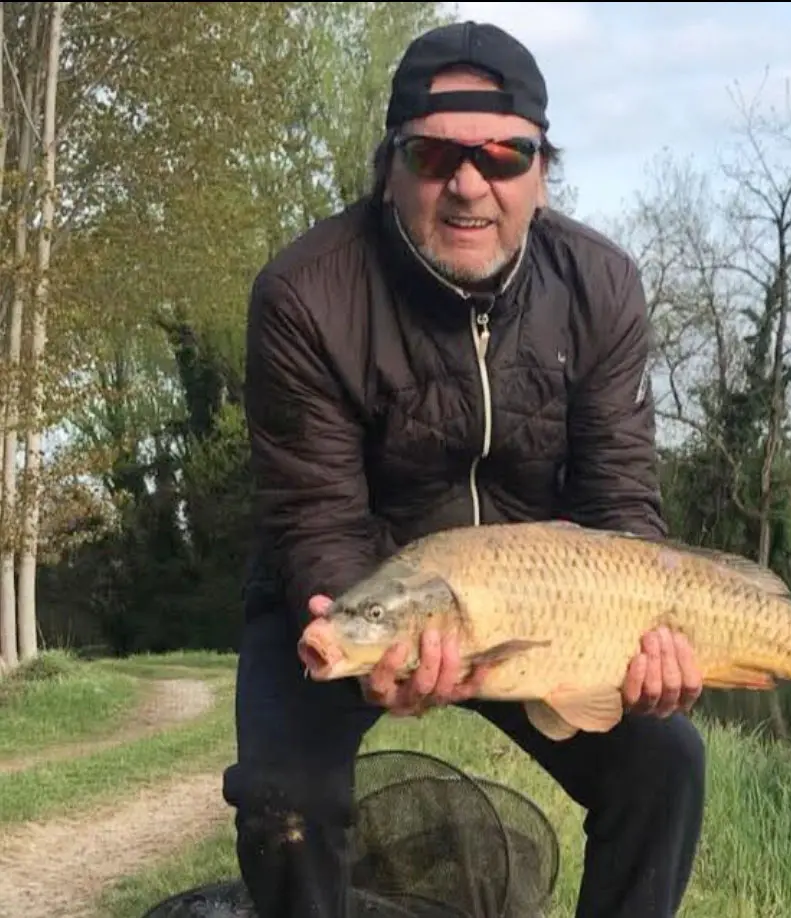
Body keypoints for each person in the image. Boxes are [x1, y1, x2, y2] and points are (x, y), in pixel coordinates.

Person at [222, 19, 706, 918]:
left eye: (503, 155)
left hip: (542, 607)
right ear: (391, 165)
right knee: (283, 798)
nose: (469, 186)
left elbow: (619, 500)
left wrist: (649, 632)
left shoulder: (601, 285)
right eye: (435, 157)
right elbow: (314, 519)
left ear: (541, 170)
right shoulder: (305, 293)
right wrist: (360, 633)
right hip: (355, 596)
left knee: (667, 762)